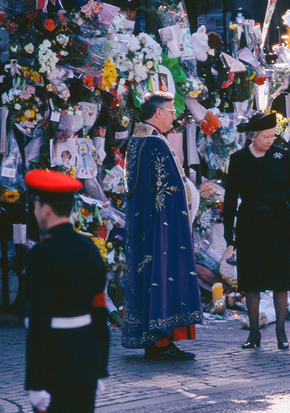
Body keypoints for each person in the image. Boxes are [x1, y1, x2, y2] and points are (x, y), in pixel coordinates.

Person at [122, 91, 202, 360]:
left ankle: (151, 340)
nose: (174, 116)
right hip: (161, 228)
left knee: (146, 279)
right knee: (162, 275)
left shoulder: (136, 140)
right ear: (158, 113)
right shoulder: (157, 143)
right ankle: (162, 341)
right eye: (170, 112)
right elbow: (171, 192)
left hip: (142, 226)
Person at [24, 170, 109, 413]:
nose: (35, 210)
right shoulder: (89, 249)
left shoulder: (41, 255)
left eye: (36, 205)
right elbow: (99, 316)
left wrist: (36, 382)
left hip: (55, 365)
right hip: (87, 363)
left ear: (46, 209)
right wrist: (100, 367)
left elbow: (39, 321)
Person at [223, 112, 290, 350]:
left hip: (278, 221)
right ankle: (254, 333)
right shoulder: (237, 159)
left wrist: (282, 195)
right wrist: (229, 229)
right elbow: (230, 197)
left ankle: (280, 331)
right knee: (252, 280)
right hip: (250, 222)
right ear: (253, 136)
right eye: (266, 136)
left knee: (281, 279)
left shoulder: (281, 155)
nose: (270, 140)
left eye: (272, 136)